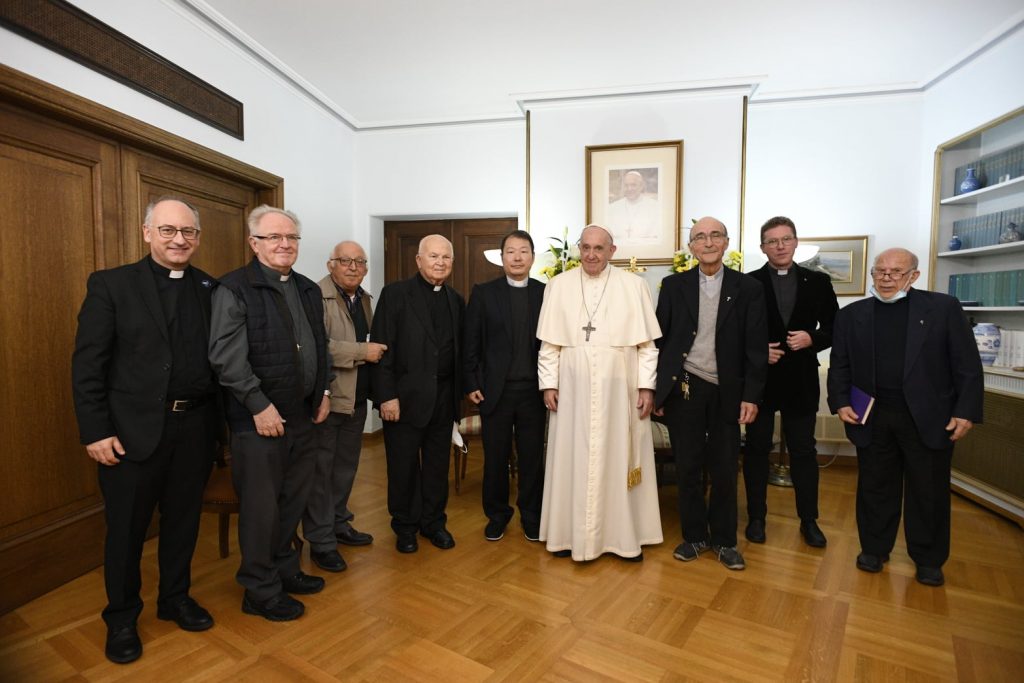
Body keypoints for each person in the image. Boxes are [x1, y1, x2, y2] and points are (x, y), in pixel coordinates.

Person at [72, 197, 219, 664]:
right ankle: (120, 618)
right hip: (130, 434)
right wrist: (95, 431)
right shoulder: (112, 285)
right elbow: (88, 364)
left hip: (194, 429)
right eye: (168, 230)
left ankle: (175, 598)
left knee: (182, 524)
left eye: (188, 232)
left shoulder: (209, 288)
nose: (179, 240)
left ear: (197, 237)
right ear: (146, 232)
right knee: (126, 532)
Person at [828, 248, 983, 587]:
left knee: (928, 491)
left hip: (928, 417)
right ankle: (874, 549)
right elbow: (840, 365)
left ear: (914, 276)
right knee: (874, 486)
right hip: (873, 415)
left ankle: (928, 559)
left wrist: (965, 411)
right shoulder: (852, 314)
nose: (886, 278)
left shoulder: (942, 309)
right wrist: (839, 402)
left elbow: (967, 366)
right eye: (880, 271)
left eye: (896, 272)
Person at [209, 205, 331, 621]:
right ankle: (259, 591)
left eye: (292, 237)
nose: (285, 244)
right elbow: (227, 359)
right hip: (257, 421)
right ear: (254, 243)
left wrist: (324, 390)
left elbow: (320, 345)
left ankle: (284, 571)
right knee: (262, 510)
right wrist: (259, 405)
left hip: (302, 416)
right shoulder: (234, 289)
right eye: (274, 237)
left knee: (291, 501)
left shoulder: (308, 289)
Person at [536, 224, 663, 561]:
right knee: (572, 458)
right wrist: (549, 382)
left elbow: (648, 347)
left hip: (620, 392)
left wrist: (647, 385)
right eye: (586, 247)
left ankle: (622, 538)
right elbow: (549, 346)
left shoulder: (634, 286)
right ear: (579, 248)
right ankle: (567, 535)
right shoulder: (558, 285)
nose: (591, 254)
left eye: (598, 248)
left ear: (612, 251)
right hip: (573, 393)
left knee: (618, 457)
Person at [654, 216, 767, 571]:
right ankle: (694, 536)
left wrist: (751, 395)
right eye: (699, 237)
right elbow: (660, 341)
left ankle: (724, 540)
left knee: (723, 468)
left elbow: (756, 348)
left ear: (726, 242)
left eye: (714, 235)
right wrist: (658, 392)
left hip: (728, 391)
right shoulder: (673, 286)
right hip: (685, 386)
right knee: (687, 466)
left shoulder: (748, 288)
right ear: (691, 247)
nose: (707, 242)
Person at [742, 216, 838, 548]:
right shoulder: (748, 283)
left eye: (786, 239)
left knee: (803, 451)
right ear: (762, 247)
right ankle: (757, 518)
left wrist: (812, 338)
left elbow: (834, 327)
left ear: (796, 242)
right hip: (759, 382)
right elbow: (733, 333)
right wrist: (756, 351)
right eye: (772, 241)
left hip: (800, 379)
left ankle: (809, 520)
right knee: (755, 450)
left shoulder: (819, 282)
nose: (780, 246)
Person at [370, 234, 465, 553]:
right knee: (403, 467)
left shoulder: (455, 299)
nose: (440, 262)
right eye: (433, 256)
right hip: (404, 399)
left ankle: (433, 523)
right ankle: (405, 527)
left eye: (446, 257)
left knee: (438, 467)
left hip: (443, 399)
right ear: (419, 260)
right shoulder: (395, 295)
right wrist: (386, 396)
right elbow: (382, 349)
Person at [301, 241, 386, 573]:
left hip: (355, 400)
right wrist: (362, 353)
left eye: (359, 262)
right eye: (345, 261)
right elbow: (317, 346)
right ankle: (321, 542)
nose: (352, 267)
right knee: (321, 473)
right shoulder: (314, 295)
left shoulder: (364, 298)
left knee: (345, 469)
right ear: (330, 264)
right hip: (328, 399)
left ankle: (339, 523)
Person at [463, 230, 546, 542]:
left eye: (523, 251)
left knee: (531, 460)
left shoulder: (544, 293)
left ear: (532, 257)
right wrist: (471, 382)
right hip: (494, 392)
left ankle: (531, 516)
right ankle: (497, 515)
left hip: (534, 393)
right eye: (510, 251)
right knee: (495, 460)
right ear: (502, 258)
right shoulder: (484, 293)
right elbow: (471, 342)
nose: (517, 257)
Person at [606, 170, 661, 242]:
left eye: (633, 185)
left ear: (641, 186)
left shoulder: (655, 207)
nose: (629, 189)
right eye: (626, 185)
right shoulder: (613, 208)